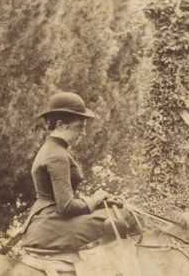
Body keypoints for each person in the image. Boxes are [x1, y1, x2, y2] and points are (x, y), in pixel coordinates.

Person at [19, 91, 129, 251]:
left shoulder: (53, 149)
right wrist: (95, 200)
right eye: (79, 127)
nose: (83, 133)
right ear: (60, 125)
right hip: (52, 226)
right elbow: (67, 207)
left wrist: (98, 202)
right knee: (127, 217)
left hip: (48, 222)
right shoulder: (57, 155)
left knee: (118, 213)